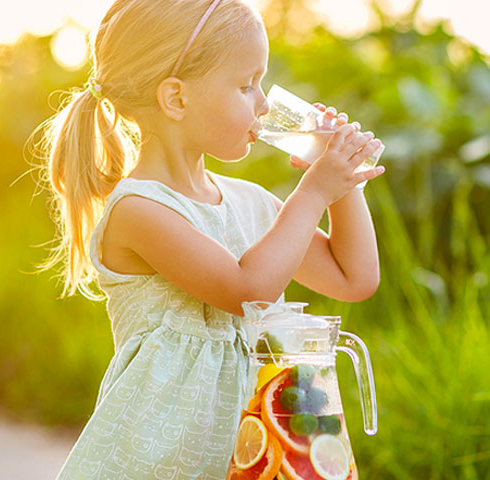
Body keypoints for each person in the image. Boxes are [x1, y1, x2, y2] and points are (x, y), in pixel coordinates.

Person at [33, 0, 384, 478]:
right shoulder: (139, 210)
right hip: (155, 459)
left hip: (248, 448)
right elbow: (247, 291)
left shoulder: (252, 203)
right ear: (175, 98)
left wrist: (344, 185)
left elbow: (354, 277)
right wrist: (316, 189)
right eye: (246, 86)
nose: (263, 103)